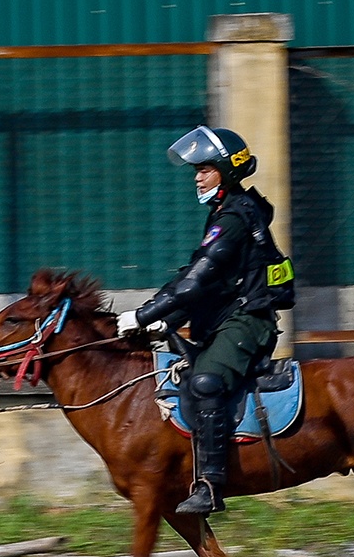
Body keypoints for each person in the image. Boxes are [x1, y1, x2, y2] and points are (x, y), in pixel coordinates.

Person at [116, 125, 295, 516]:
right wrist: (165, 321)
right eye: (196, 169)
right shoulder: (227, 210)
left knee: (205, 381)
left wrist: (144, 314)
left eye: (205, 168)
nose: (197, 176)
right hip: (225, 316)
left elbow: (198, 276)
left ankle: (211, 484)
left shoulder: (233, 216)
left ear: (226, 171)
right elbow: (207, 284)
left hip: (249, 320)